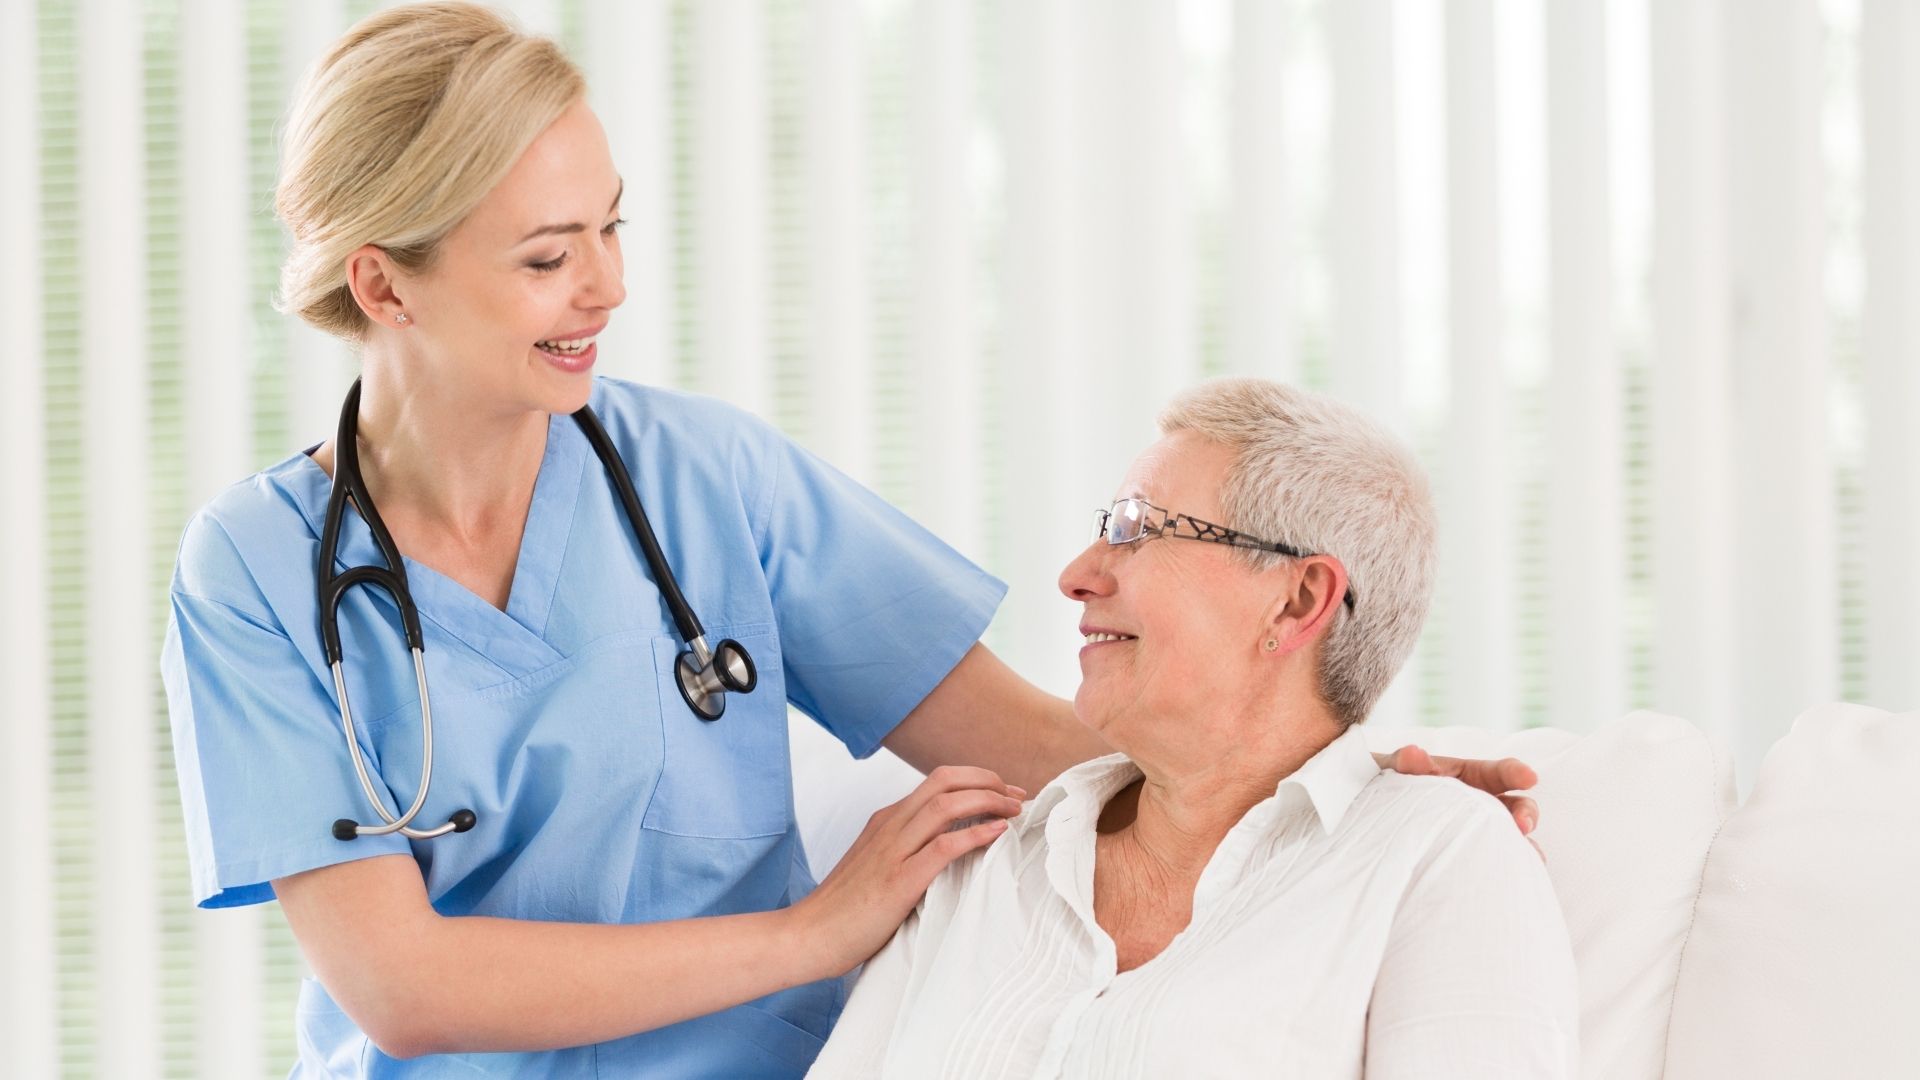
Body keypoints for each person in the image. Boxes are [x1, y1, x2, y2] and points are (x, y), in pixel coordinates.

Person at [159, 4, 1541, 1076]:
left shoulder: (709, 484)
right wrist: (812, 933)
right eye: (545, 255)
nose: (607, 286)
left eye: (612, 228)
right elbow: (403, 991)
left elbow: (1039, 751)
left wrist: (1339, 781)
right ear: (382, 284)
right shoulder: (255, 575)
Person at [807, 378, 1578, 1078]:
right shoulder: (983, 864)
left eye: (1137, 529)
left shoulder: (1438, 855)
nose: (1077, 573)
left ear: (1298, 600)